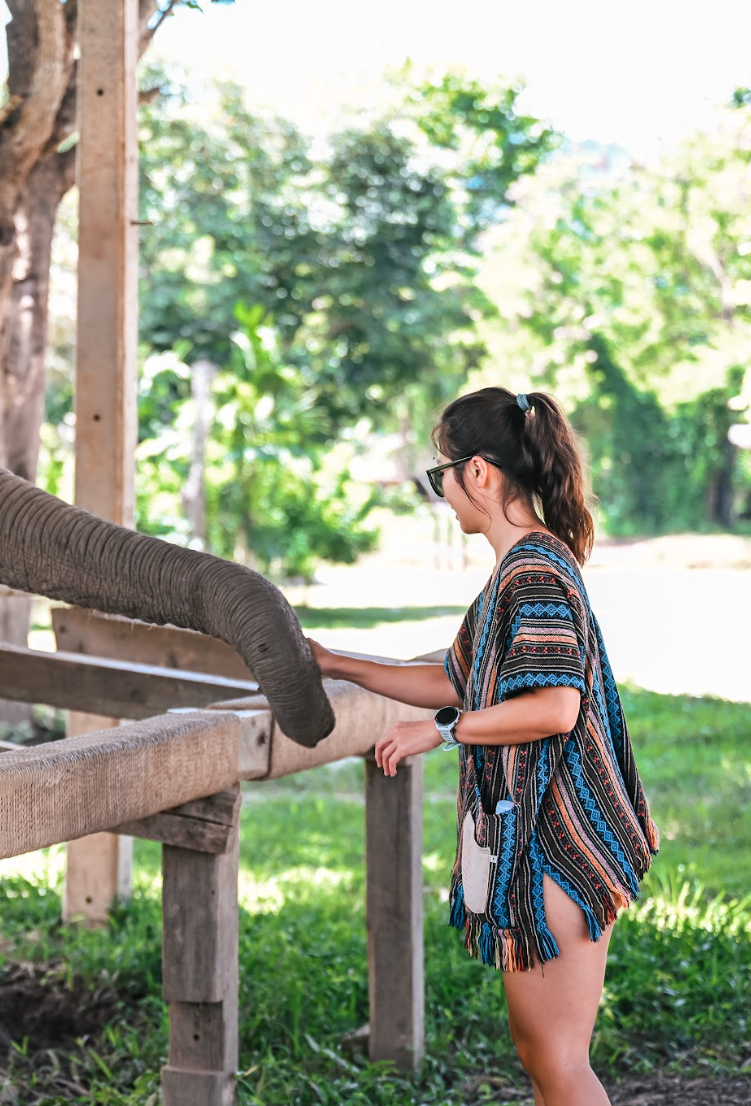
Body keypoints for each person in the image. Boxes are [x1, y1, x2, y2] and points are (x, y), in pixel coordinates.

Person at [309, 386, 658, 1106]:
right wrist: (337, 662)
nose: (439, 489)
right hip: (543, 843)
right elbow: (455, 677)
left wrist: (441, 732)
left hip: (558, 844)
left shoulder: (532, 570)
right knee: (544, 1058)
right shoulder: (520, 569)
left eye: (439, 472)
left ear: (479, 472)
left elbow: (555, 707)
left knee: (558, 1061)